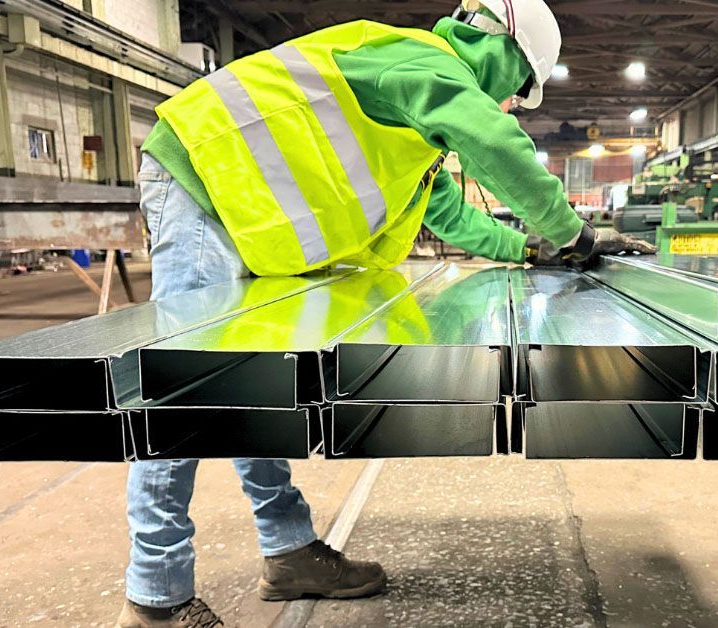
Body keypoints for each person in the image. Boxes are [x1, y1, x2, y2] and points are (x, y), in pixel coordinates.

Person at [118, 0, 653, 625]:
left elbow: (448, 212)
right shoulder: (421, 64)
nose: (512, 105)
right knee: (183, 390)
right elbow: (492, 139)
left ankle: (287, 551)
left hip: (238, 205)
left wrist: (532, 248)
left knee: (250, 385)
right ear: (503, 51)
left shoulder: (416, 121)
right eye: (520, 89)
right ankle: (155, 599)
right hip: (205, 177)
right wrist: (573, 233)